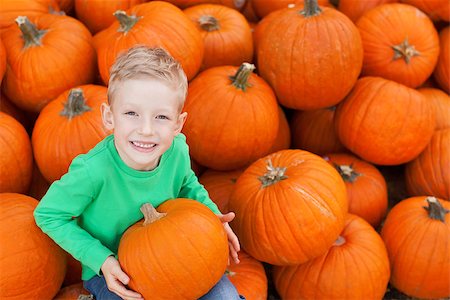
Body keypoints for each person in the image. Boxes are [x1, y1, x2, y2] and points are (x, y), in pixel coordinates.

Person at [34, 45, 242, 300]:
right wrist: (101, 260)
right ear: (109, 117)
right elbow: (49, 215)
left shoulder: (176, 150)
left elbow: (188, 185)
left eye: (161, 117)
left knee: (225, 297)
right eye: (132, 113)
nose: (146, 129)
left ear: (178, 123)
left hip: (178, 253)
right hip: (117, 270)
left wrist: (213, 217)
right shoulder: (93, 171)